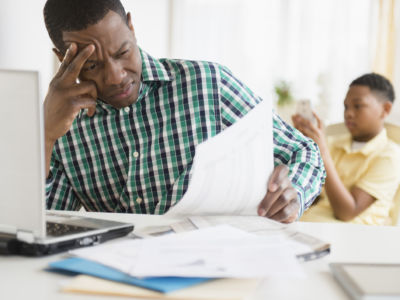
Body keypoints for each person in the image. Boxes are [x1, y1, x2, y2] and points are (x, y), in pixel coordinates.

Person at [43, 0, 325, 223]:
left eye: (123, 53)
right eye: (92, 66)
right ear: (62, 58)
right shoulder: (62, 126)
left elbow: (304, 151)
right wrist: (44, 137)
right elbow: (44, 222)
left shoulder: (208, 83)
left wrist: (295, 193)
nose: (116, 77)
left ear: (131, 26)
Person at [293, 73, 400, 225]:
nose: (348, 113)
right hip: (309, 223)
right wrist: (302, 146)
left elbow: (347, 212)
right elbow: (309, 195)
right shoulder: (332, 144)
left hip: (350, 235)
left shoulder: (390, 156)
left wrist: (322, 152)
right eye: (346, 106)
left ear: (385, 109)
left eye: (358, 106)